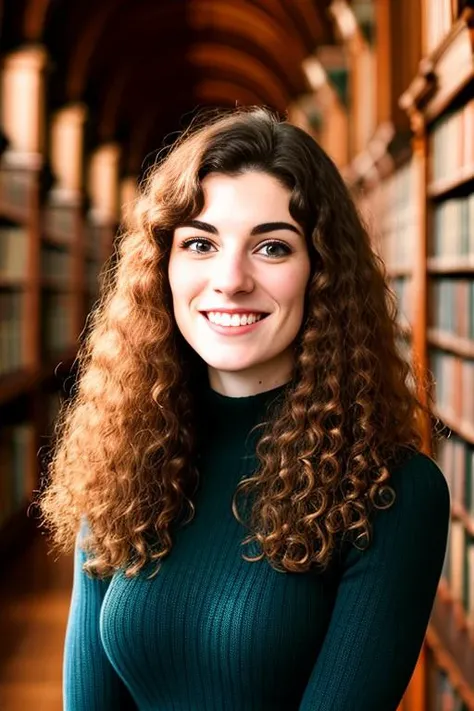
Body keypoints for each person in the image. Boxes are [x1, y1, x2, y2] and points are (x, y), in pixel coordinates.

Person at [39, 106, 450, 711]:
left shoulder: (392, 493)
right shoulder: (121, 456)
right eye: (201, 243)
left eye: (272, 248)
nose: (230, 279)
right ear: (163, 268)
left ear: (321, 273)